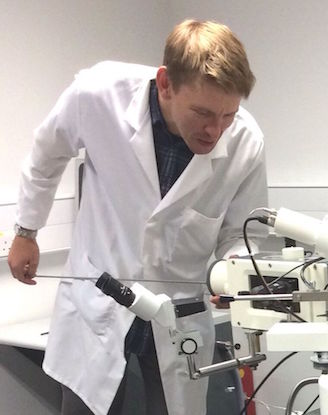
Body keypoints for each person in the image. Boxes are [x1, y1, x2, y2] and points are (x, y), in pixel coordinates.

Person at [8, 19, 268, 415]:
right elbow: (46, 154)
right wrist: (27, 230)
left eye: (227, 115)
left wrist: (231, 271)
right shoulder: (98, 94)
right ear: (165, 83)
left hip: (177, 314)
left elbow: (242, 233)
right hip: (99, 299)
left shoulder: (246, 142)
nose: (215, 130)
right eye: (202, 112)